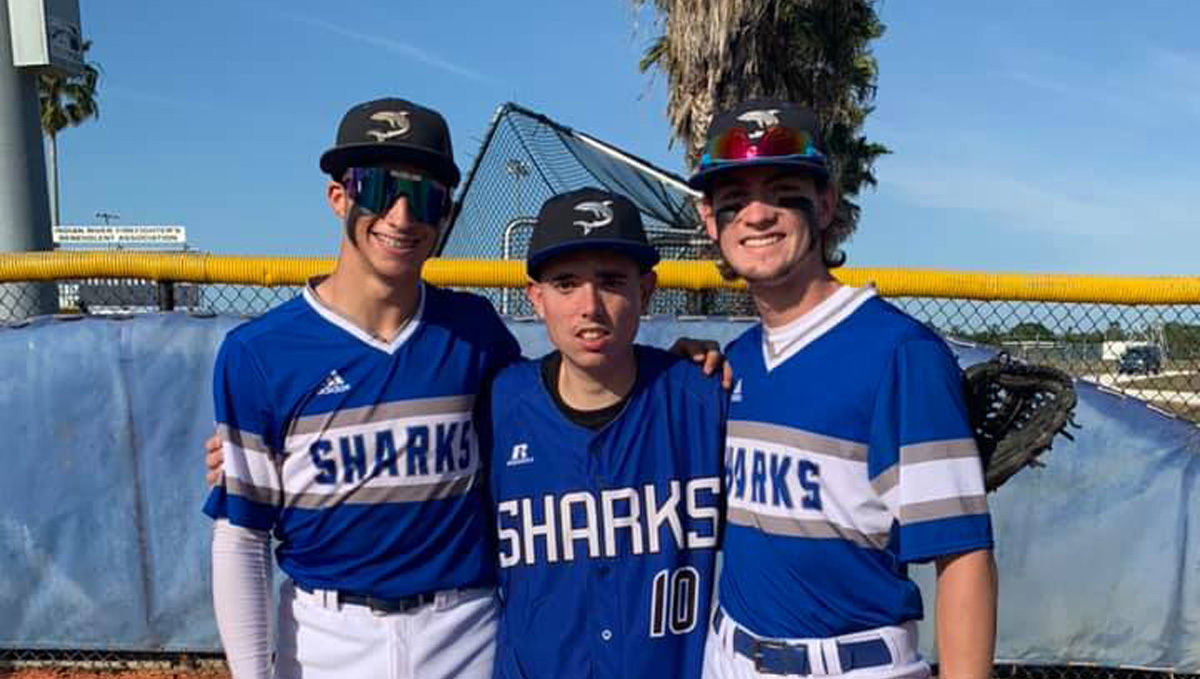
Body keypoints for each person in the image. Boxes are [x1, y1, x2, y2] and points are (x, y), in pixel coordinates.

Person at [202, 97, 520, 679]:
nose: (401, 215)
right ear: (338, 197)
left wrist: (670, 370)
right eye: (378, 188)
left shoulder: (476, 333)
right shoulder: (260, 352)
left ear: (445, 213)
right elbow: (242, 536)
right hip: (327, 637)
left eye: (424, 195)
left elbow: (553, 424)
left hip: (464, 632)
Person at [689, 100, 998, 679]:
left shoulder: (900, 353)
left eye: (784, 193)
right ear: (711, 220)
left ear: (826, 204)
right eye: (734, 199)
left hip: (853, 663)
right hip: (727, 654)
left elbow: (962, 556)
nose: (757, 215)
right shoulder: (737, 360)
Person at [486, 188, 727, 678]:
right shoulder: (494, 406)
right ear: (537, 298)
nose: (590, 306)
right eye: (566, 284)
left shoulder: (705, 399)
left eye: (612, 281)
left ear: (647, 290)